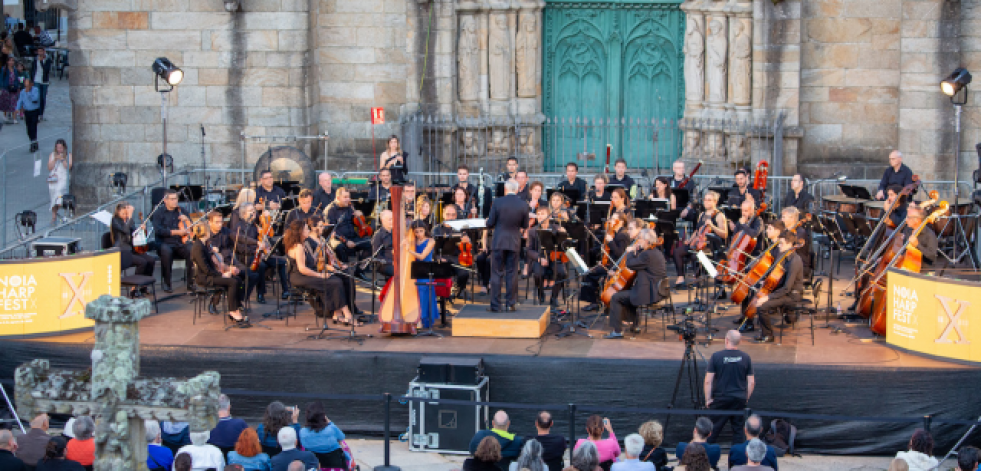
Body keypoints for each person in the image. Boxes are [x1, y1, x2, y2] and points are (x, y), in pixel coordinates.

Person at [284, 220, 356, 324]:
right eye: (306, 229)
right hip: (300, 277)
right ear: (300, 232)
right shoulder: (298, 246)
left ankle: (338, 314)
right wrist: (320, 275)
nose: (308, 230)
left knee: (338, 277)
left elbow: (313, 261)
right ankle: (347, 314)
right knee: (335, 282)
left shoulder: (305, 243)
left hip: (308, 272)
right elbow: (302, 269)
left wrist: (326, 264)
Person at [606, 228, 666, 338]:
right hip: (659, 291)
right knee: (629, 293)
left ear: (647, 241)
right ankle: (635, 325)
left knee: (616, 297)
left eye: (640, 239)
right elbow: (640, 262)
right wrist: (636, 251)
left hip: (649, 293)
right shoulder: (656, 252)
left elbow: (630, 264)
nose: (638, 241)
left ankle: (617, 331)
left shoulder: (646, 255)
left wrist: (630, 252)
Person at [486, 180, 530, 312]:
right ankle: (511, 303)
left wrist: (487, 222)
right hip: (514, 241)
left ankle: (495, 305)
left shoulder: (498, 202)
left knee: (496, 273)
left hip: (499, 241)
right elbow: (525, 225)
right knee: (512, 273)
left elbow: (490, 222)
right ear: (517, 190)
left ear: (505, 189)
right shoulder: (523, 204)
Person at [704, 330, 755, 444]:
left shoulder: (716, 356)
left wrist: (708, 399)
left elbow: (708, 381)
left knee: (712, 430)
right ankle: (738, 458)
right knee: (738, 431)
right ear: (739, 342)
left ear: (726, 340)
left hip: (721, 398)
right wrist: (745, 398)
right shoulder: (746, 357)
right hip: (739, 398)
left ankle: (705, 455)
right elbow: (751, 382)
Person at [192, 225, 249, 325]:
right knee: (232, 282)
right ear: (206, 232)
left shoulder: (204, 244)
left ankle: (236, 306)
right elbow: (206, 269)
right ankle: (233, 311)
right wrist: (222, 275)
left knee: (238, 279)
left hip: (210, 275)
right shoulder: (198, 247)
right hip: (205, 278)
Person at [754, 231, 805, 342]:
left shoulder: (794, 262)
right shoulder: (786, 257)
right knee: (759, 300)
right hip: (786, 292)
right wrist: (768, 283)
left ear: (789, 244)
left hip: (792, 296)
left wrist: (767, 297)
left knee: (762, 306)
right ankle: (765, 333)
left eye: (781, 243)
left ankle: (768, 335)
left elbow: (787, 288)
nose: (779, 246)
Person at [673, 191, 727, 290]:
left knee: (696, 254)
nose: (706, 202)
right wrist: (690, 240)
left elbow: (724, 234)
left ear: (715, 202)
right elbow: (698, 230)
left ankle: (697, 279)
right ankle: (680, 278)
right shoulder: (702, 214)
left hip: (711, 245)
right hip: (699, 242)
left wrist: (713, 226)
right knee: (677, 252)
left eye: (709, 200)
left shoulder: (719, 215)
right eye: (705, 200)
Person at [152, 190, 194, 293]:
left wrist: (187, 220)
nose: (175, 201)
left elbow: (192, 228)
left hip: (180, 242)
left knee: (192, 250)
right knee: (167, 252)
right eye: (172, 199)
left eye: (176, 199)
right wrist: (175, 232)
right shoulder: (158, 212)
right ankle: (167, 283)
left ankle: (191, 283)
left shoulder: (182, 210)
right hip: (165, 242)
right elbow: (158, 230)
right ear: (165, 200)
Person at [326, 187, 371, 280]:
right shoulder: (330, 210)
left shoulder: (349, 207)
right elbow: (331, 230)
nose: (348, 199)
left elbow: (356, 222)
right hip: (337, 238)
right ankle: (344, 273)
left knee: (370, 244)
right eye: (345, 197)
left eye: (349, 197)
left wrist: (360, 215)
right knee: (339, 247)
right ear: (338, 198)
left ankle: (359, 271)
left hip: (352, 236)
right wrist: (346, 241)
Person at [528, 206, 568, 307]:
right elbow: (529, 250)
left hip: (554, 257)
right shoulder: (532, 231)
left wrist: (563, 234)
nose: (540, 217)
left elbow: (564, 245)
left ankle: (554, 297)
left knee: (562, 272)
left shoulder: (555, 228)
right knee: (538, 273)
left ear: (549, 216)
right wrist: (539, 258)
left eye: (543, 214)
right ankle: (541, 294)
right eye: (539, 214)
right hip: (540, 258)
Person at [432, 204, 472, 301]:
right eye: (448, 214)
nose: (450, 217)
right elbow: (432, 248)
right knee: (442, 270)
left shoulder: (460, 229)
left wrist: (467, 241)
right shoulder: (436, 229)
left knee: (464, 273)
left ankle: (457, 291)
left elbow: (468, 247)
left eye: (453, 215)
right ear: (443, 215)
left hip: (456, 258)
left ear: (456, 216)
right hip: (441, 257)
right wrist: (438, 258)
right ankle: (443, 294)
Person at [110, 202, 156, 282]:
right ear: (118, 212)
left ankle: (144, 284)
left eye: (126, 214)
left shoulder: (129, 221)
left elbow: (134, 234)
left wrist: (142, 230)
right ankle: (134, 287)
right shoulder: (115, 220)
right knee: (142, 262)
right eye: (123, 214)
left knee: (151, 260)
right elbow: (125, 230)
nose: (125, 216)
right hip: (122, 250)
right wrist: (130, 217)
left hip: (132, 248)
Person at [407, 220, 440, 329]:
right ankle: (413, 317)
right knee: (414, 292)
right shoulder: (413, 241)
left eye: (421, 231)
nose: (419, 234)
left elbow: (422, 256)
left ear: (425, 229)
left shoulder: (431, 241)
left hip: (426, 271)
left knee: (422, 293)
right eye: (416, 232)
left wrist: (408, 250)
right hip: (415, 270)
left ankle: (421, 319)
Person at [299, 401, 347, 469]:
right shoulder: (331, 430)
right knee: (343, 444)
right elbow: (342, 437)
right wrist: (330, 422)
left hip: (314, 466)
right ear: (323, 416)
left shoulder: (302, 432)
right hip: (335, 465)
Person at [903, 204, 939, 272]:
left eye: (908, 217)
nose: (906, 220)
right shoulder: (907, 230)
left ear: (917, 219)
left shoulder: (929, 235)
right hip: (908, 267)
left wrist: (917, 245)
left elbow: (932, 256)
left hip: (923, 272)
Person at [45, 139, 72, 224]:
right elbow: (49, 167)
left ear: (64, 147)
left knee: (59, 192)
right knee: (53, 195)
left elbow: (68, 167)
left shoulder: (68, 155)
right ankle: (54, 217)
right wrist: (55, 160)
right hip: (54, 177)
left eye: (60, 148)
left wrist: (62, 159)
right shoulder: (52, 155)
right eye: (57, 148)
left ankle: (64, 214)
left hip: (63, 177)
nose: (59, 150)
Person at [16, 77, 40, 152]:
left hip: (34, 111)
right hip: (27, 112)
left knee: (33, 127)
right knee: (28, 129)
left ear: (31, 84)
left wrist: (28, 92)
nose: (26, 86)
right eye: (25, 85)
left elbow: (35, 99)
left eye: (28, 84)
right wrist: (17, 108)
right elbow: (20, 100)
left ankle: (33, 143)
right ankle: (33, 141)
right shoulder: (22, 92)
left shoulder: (35, 90)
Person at [371, 209, 395, 282]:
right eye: (390, 219)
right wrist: (391, 262)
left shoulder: (396, 232)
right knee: (398, 272)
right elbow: (377, 256)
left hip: (396, 262)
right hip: (384, 264)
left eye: (393, 219)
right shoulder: (378, 235)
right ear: (383, 221)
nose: (392, 221)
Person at [30, 46, 51, 120]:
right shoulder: (35, 59)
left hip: (44, 81)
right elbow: (32, 69)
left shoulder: (48, 59)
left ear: (44, 51)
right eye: (38, 52)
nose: (39, 53)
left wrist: (41, 62)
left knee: (43, 97)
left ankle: (41, 113)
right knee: (37, 96)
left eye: (41, 51)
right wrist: (31, 80)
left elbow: (46, 70)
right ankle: (37, 113)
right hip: (36, 79)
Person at [0, 56, 19, 124]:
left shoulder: (15, 69)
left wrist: (17, 86)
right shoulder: (4, 69)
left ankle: (14, 118)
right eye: (10, 60)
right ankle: (5, 115)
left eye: (12, 61)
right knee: (6, 103)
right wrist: (1, 87)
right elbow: (1, 78)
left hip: (13, 88)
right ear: (7, 61)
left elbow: (17, 78)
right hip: (6, 88)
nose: (11, 62)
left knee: (14, 103)